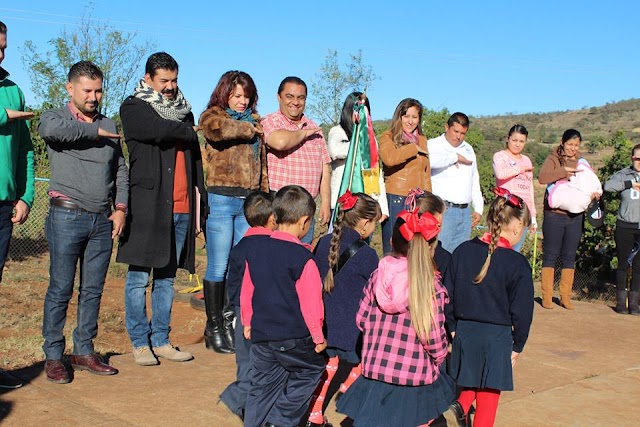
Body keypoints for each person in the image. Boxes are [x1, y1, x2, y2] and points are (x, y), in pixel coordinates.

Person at [38, 61, 128, 384]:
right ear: (70, 88)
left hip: (101, 219)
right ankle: (53, 355)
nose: (94, 96)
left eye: (98, 89)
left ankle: (84, 350)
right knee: (60, 288)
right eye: (87, 90)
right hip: (66, 214)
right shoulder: (55, 118)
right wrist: (94, 131)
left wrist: (120, 207)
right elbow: (49, 133)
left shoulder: (109, 123)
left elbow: (120, 169)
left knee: (92, 290)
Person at [117, 52, 206, 365]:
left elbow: (194, 159)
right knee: (139, 277)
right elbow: (157, 130)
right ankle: (140, 343)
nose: (170, 87)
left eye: (174, 80)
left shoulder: (184, 111)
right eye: (163, 80)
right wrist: (188, 130)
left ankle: (162, 340)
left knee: (167, 279)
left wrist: (200, 200)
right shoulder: (133, 106)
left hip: (181, 206)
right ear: (148, 79)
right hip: (148, 206)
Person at [336, 202, 455, 427]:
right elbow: (434, 339)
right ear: (430, 248)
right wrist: (440, 357)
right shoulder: (431, 288)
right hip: (415, 377)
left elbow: (361, 319)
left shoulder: (377, 276)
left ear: (392, 242)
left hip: (376, 370)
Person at [444, 188, 534, 427]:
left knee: (472, 378)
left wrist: (452, 326)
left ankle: (461, 405)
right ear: (517, 227)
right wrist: (518, 344)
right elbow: (523, 311)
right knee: (488, 396)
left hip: (464, 331)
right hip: (496, 338)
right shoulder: (517, 263)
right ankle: (464, 408)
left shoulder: (462, 251)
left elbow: (447, 293)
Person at [240, 185, 327, 427]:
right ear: (305, 222)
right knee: (311, 370)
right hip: (293, 337)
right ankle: (280, 421)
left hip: (261, 334)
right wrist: (318, 336)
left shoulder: (256, 250)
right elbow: (312, 303)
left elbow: (247, 288)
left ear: (275, 217)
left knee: (262, 384)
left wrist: (247, 320)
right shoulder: (304, 258)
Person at [198, 70, 269, 353]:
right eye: (236, 95)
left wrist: (263, 196)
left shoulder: (255, 122)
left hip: (248, 203)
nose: (242, 101)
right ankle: (213, 327)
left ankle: (230, 323)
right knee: (219, 263)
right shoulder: (212, 116)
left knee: (240, 264)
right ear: (224, 93)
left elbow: (261, 164)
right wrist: (249, 129)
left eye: (246, 96)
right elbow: (216, 131)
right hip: (221, 199)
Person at [307, 191, 381, 427]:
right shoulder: (368, 255)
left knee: (330, 364)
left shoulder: (324, 242)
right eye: (375, 224)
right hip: (351, 326)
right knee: (365, 360)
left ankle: (314, 412)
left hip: (324, 319)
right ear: (365, 223)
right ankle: (348, 390)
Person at [219, 191, 277, 420]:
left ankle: (246, 406)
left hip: (241, 314)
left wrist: (233, 311)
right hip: (263, 314)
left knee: (245, 362)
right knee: (264, 366)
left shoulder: (239, 248)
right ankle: (236, 398)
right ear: (273, 218)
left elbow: (232, 284)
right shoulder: (273, 247)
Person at [0, 20, 35, 389]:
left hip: (4, 205)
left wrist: (26, 196)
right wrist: (4, 116)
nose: (1, 53)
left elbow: (25, 150)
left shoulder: (13, 90)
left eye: (4, 47)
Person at [261, 76, 331, 244]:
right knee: (276, 257)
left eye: (301, 97)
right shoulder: (270, 121)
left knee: (301, 257)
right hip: (279, 204)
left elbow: (325, 167)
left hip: (307, 206)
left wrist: (326, 203)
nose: (295, 102)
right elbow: (280, 142)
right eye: (289, 96)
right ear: (279, 97)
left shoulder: (314, 126)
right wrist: (304, 133)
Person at [538, 129, 600, 310]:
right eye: (570, 144)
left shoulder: (583, 163)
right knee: (550, 254)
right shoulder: (553, 158)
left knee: (569, 256)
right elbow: (542, 178)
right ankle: (547, 296)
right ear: (562, 143)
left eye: (576, 145)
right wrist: (563, 173)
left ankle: (565, 297)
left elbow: (589, 183)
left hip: (576, 217)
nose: (573, 148)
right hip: (554, 215)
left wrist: (594, 193)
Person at [379, 98, 431, 254]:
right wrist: (412, 148)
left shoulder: (422, 139)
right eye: (406, 116)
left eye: (415, 117)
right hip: (396, 198)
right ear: (399, 116)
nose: (410, 121)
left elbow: (426, 172)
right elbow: (389, 159)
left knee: (414, 249)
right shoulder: (388, 136)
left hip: (418, 201)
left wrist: (429, 200)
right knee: (394, 247)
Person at [428, 112, 483, 253]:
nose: (458, 136)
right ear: (447, 127)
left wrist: (478, 208)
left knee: (460, 256)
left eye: (463, 133)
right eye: (456, 131)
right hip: (443, 210)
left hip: (465, 212)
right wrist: (455, 157)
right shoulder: (433, 144)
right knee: (439, 254)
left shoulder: (468, 149)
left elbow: (474, 178)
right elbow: (429, 163)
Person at [327, 92, 388, 219]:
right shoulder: (337, 131)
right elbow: (335, 151)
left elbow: (376, 173)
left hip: (366, 204)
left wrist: (383, 207)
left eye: (364, 111)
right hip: (343, 203)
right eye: (358, 110)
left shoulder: (371, 140)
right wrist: (360, 141)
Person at [604, 143, 640, 315]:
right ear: (632, 158)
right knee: (623, 264)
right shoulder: (624, 174)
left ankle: (634, 305)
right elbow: (608, 186)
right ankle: (620, 303)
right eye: (637, 158)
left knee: (639, 267)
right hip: (625, 225)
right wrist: (629, 183)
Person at [492, 124, 537, 252]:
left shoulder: (527, 160)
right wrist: (520, 169)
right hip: (506, 211)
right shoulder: (500, 156)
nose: (518, 144)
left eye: (522, 141)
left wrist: (532, 215)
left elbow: (529, 188)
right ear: (508, 139)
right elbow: (500, 174)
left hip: (523, 214)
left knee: (515, 252)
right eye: (515, 140)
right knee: (500, 250)